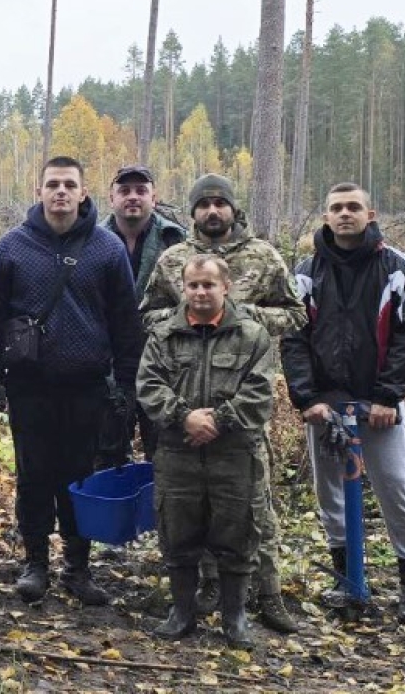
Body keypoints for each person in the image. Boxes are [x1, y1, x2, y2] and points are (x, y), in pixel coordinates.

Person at [140, 173, 306, 633]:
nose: (213, 211)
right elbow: (147, 314)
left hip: (242, 403)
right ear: (193, 212)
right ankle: (207, 592)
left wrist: (243, 316)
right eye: (204, 204)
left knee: (252, 507)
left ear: (234, 209)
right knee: (189, 508)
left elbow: (295, 313)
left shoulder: (264, 256)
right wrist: (186, 317)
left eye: (220, 204)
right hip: (186, 395)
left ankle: (268, 595)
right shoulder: (174, 259)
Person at [0, 157, 141, 605]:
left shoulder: (107, 249)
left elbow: (126, 322)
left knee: (80, 478)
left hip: (88, 384)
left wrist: (126, 384)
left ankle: (78, 566)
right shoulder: (12, 247)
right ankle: (35, 563)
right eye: (53, 184)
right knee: (33, 476)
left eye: (70, 185)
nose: (61, 192)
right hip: (30, 384)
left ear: (84, 192)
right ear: (39, 190)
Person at [281, 183, 405, 624]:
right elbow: (294, 338)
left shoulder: (397, 267)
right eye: (336, 208)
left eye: (353, 207)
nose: (345, 214)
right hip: (325, 406)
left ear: (370, 212)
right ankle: (348, 581)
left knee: (396, 486)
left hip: (378, 405)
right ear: (326, 216)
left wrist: (388, 396)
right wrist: (307, 399)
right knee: (331, 493)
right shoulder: (307, 271)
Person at [137, 255, 275, 650]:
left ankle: (235, 619)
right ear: (183, 288)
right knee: (178, 534)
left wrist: (218, 421)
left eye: (209, 285)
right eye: (193, 285)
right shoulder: (163, 335)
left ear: (225, 287)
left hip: (234, 455)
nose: (200, 292)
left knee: (238, 535)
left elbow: (260, 391)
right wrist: (184, 418)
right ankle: (181, 613)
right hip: (178, 453)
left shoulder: (252, 336)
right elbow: (149, 385)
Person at [97, 164, 186, 467]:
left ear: (154, 197)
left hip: (166, 369)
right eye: (124, 191)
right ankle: (113, 514)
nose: (132, 197)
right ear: (112, 198)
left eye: (141, 190)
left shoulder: (178, 242)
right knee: (107, 456)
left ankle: (160, 516)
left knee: (166, 456)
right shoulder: (92, 242)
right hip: (107, 370)